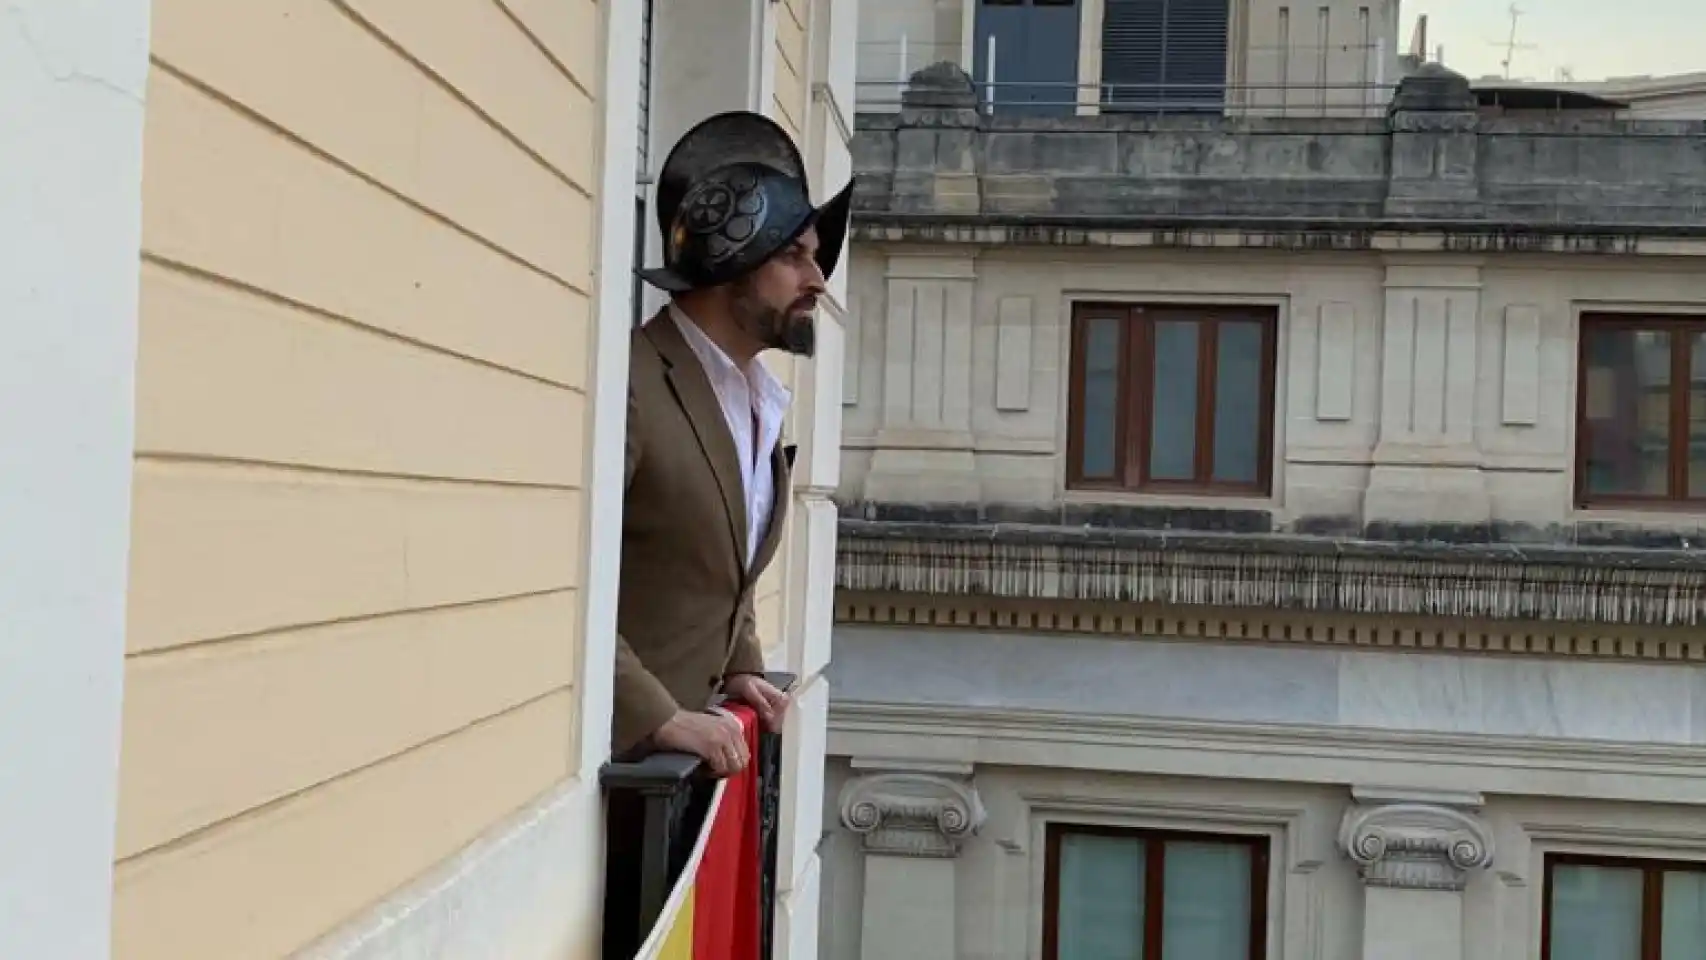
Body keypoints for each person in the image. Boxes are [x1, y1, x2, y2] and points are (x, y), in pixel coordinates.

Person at [613, 111, 854, 776]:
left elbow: (719, 568)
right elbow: (562, 580)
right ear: (731, 264)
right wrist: (656, 716)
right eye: (793, 256)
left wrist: (740, 663)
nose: (817, 280)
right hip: (620, 777)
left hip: (687, 788)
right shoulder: (629, 382)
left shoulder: (755, 399)